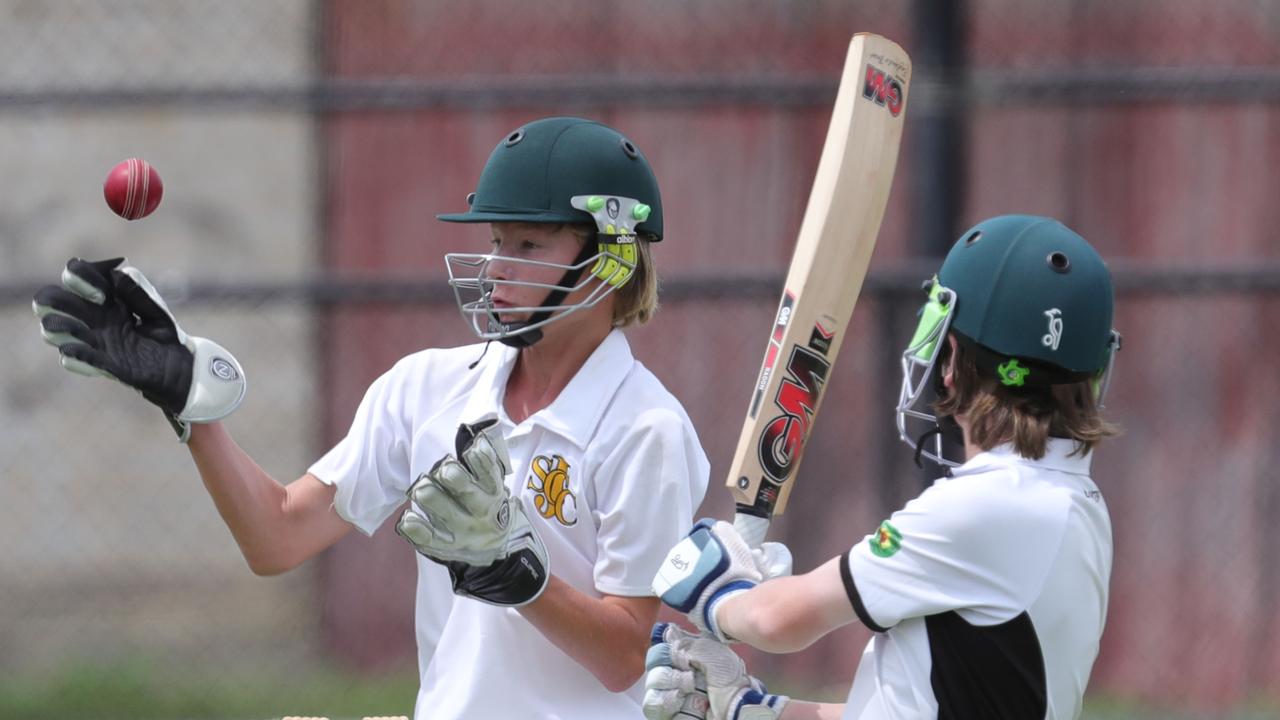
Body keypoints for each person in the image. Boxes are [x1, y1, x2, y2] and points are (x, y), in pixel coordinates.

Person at [32, 116, 710, 719]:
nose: (499, 266)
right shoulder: (426, 388)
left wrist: (517, 573)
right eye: (498, 240)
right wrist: (191, 409)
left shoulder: (646, 429)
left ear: (613, 259)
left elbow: (625, 653)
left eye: (528, 247)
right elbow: (278, 538)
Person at [642, 214, 1122, 720]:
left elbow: (780, 621)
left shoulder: (984, 508)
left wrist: (721, 594)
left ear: (952, 357)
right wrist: (750, 709)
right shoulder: (1073, 501)